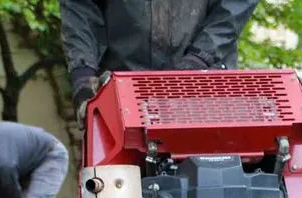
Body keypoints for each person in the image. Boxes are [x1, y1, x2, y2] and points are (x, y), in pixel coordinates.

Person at [59, 0, 262, 126]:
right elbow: (80, 7)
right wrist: (83, 75)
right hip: (121, 91)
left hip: (204, 89)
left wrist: (200, 57)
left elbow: (235, 6)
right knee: (114, 187)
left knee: (210, 182)